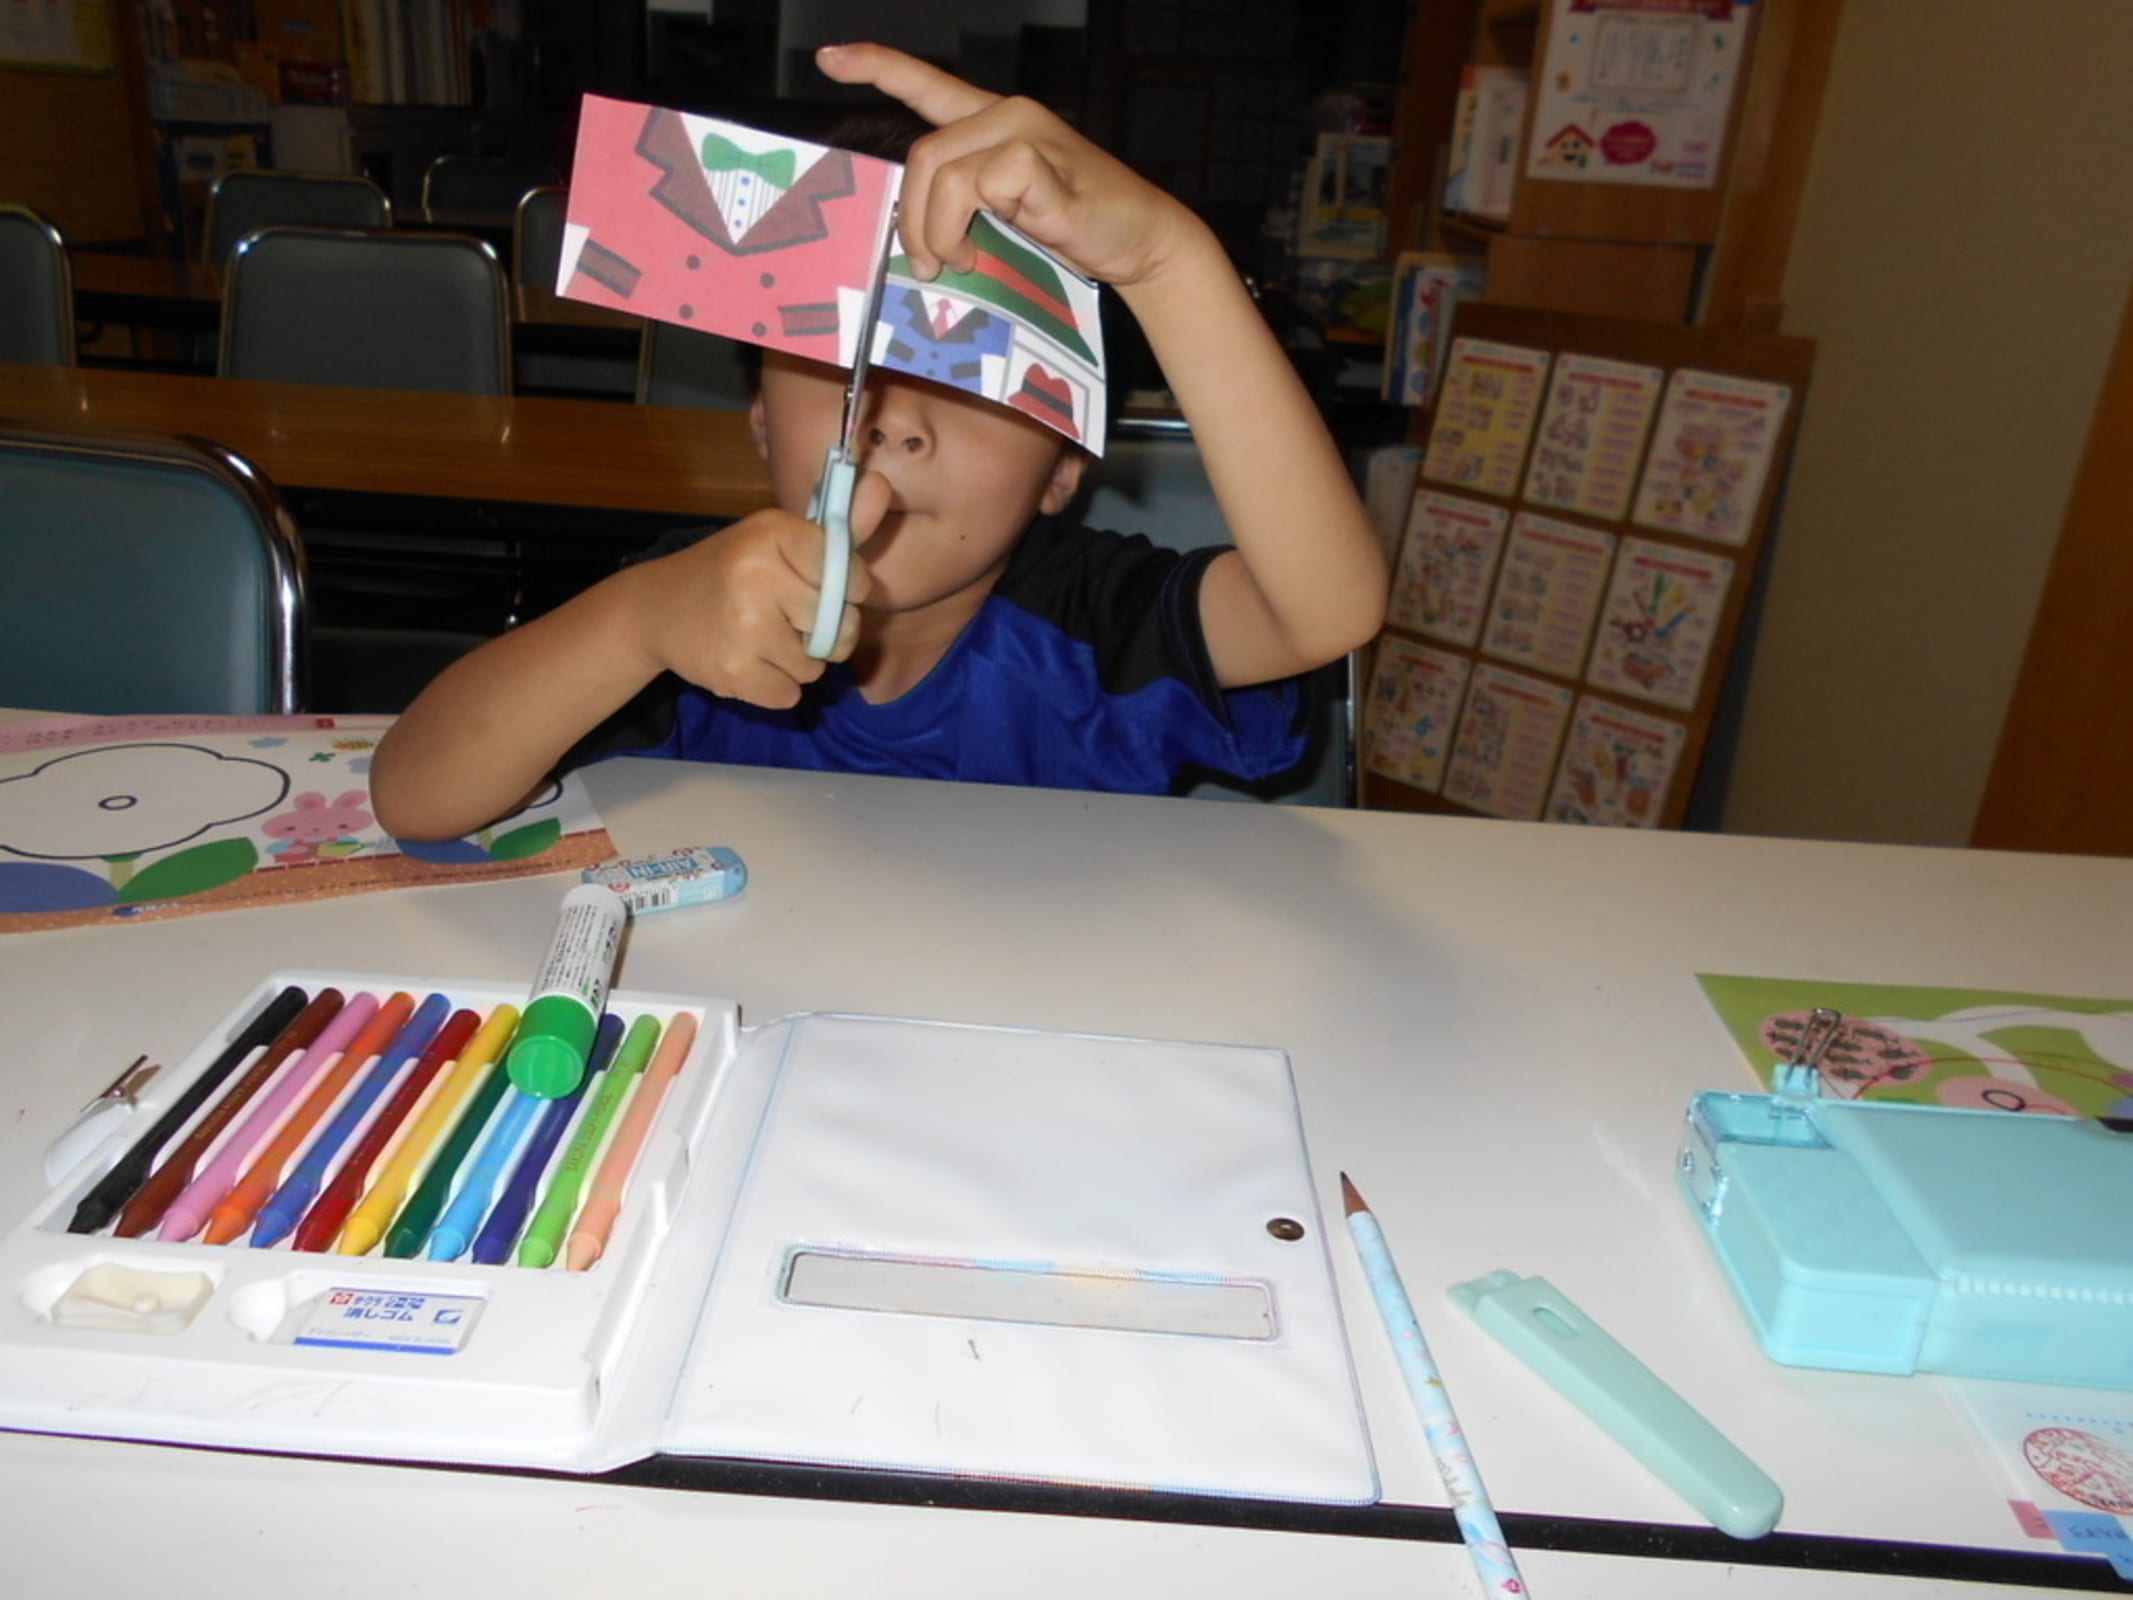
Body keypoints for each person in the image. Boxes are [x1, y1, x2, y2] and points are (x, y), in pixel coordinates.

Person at [371, 43, 1387, 842]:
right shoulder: (697, 606)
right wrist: (634, 623)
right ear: (759, 418)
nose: (893, 417)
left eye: (973, 368)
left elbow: (1325, 612)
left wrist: (1166, 260)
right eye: (844, 356)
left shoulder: (1102, 625)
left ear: (1064, 467)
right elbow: (417, 796)